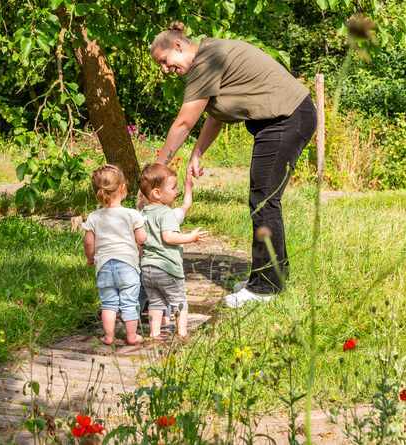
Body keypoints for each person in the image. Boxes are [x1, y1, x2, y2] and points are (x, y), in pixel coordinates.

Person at [148, 21, 317, 308]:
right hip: (283, 120)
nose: (165, 70)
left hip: (286, 118)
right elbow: (217, 114)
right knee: (264, 199)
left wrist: (158, 167)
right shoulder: (210, 57)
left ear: (177, 45)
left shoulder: (207, 59)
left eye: (164, 61)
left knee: (263, 200)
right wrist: (197, 153)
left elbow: (184, 122)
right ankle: (271, 277)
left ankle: (266, 287)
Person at [139, 163, 206, 338]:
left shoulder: (143, 214)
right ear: (157, 193)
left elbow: (185, 205)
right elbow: (168, 237)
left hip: (147, 268)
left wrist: (188, 186)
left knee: (155, 303)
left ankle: (154, 334)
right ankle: (182, 333)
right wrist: (191, 237)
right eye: (173, 187)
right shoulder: (166, 213)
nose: (176, 191)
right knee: (179, 302)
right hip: (167, 268)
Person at [82, 165, 146, 345]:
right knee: (129, 302)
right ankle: (132, 336)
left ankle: (109, 337)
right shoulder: (131, 214)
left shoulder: (94, 217)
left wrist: (90, 258)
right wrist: (140, 243)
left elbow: (88, 242)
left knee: (108, 303)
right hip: (128, 266)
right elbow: (141, 238)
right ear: (123, 188)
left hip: (104, 266)